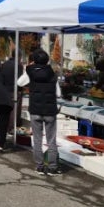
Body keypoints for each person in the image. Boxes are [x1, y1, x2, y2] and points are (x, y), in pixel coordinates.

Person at [17, 48, 62, 176]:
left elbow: (19, 83)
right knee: (51, 139)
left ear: (34, 61)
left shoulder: (29, 72)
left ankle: (40, 166)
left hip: (35, 110)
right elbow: (58, 94)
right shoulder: (53, 74)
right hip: (50, 111)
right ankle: (53, 167)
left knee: (37, 139)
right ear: (47, 60)